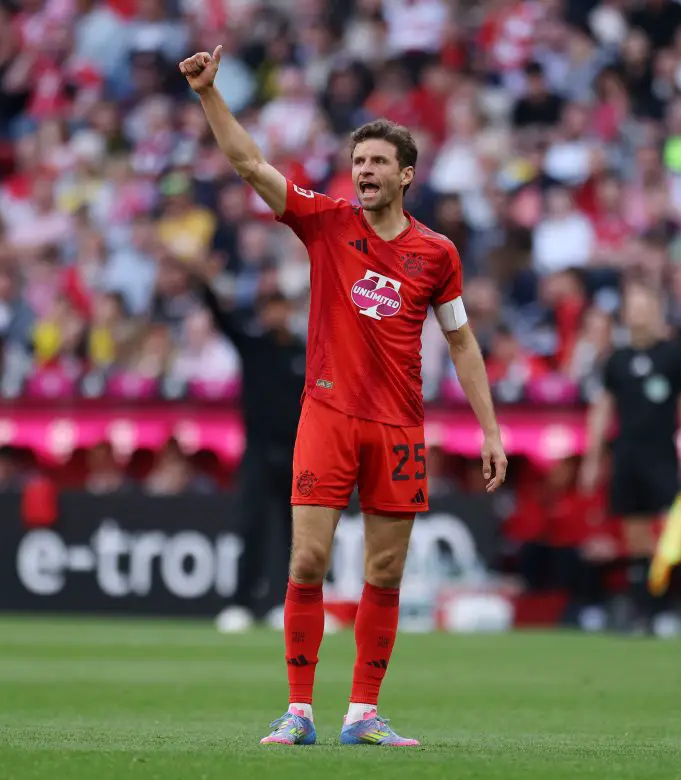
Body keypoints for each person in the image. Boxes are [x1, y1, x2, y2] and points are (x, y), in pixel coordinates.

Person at [179, 46, 507, 748]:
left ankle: (363, 714)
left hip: (398, 426)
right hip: (326, 415)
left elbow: (461, 342)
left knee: (384, 571)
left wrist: (489, 430)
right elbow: (249, 165)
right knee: (307, 562)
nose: (364, 172)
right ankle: (298, 711)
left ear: (406, 175)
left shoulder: (436, 254)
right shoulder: (326, 222)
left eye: (378, 163)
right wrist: (210, 95)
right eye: (359, 162)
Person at [580, 281, 681, 634]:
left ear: (655, 311)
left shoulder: (673, 355)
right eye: (632, 306)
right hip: (628, 455)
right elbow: (602, 407)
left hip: (663, 454)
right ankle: (645, 612)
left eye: (643, 305)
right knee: (635, 534)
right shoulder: (615, 360)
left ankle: (680, 607)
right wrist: (593, 455)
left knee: (673, 534)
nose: (637, 312)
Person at [195, 265, 306, 634]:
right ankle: (242, 603)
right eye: (269, 308)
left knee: (299, 535)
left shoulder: (303, 352)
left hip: (297, 455)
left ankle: (291, 605)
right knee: (251, 529)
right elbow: (222, 318)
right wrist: (204, 279)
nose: (276, 314)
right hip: (258, 453)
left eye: (281, 307)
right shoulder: (253, 346)